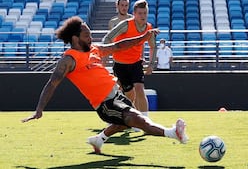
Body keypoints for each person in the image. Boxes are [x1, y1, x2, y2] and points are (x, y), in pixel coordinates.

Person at [21, 16, 188, 154]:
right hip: (105, 103)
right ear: (75, 38)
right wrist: (39, 109)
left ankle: (98, 140)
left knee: (123, 123)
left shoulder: (94, 49)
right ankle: (173, 133)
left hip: (117, 94)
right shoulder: (69, 59)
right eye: (87, 36)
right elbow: (52, 84)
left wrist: (143, 37)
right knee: (139, 120)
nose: (90, 38)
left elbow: (119, 45)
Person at [102, 0, 156, 121]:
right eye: (140, 13)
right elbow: (108, 38)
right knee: (129, 95)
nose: (143, 16)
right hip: (120, 65)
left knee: (140, 89)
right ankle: (121, 118)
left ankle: (145, 121)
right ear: (135, 14)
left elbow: (153, 46)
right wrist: (105, 55)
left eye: (145, 13)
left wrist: (151, 64)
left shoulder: (149, 28)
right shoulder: (125, 25)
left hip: (136, 63)